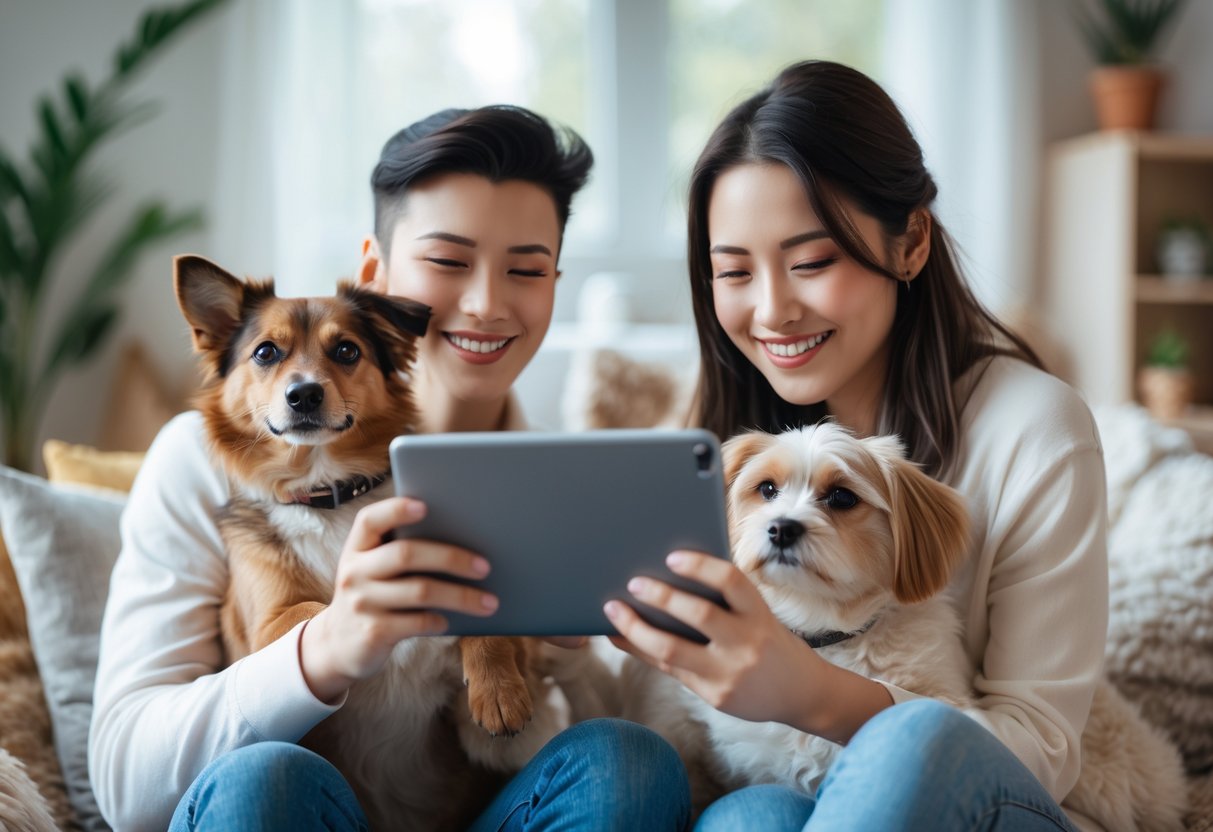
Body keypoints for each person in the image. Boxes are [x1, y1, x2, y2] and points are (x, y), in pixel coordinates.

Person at [89, 105, 691, 832]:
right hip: (302, 803)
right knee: (262, 779)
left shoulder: (561, 479)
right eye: (447, 261)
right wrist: (327, 646)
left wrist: (559, 644)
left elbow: (551, 737)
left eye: (525, 269)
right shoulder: (200, 462)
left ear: (555, 282)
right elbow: (124, 786)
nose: (484, 303)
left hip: (474, 804)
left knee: (625, 761)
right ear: (375, 273)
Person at [605, 60, 1107, 831]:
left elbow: (1040, 750)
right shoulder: (717, 442)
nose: (772, 310)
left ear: (909, 243)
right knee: (751, 819)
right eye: (733, 271)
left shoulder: (1035, 428)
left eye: (811, 262)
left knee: (912, 743)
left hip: (984, 800)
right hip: (785, 793)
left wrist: (807, 695)